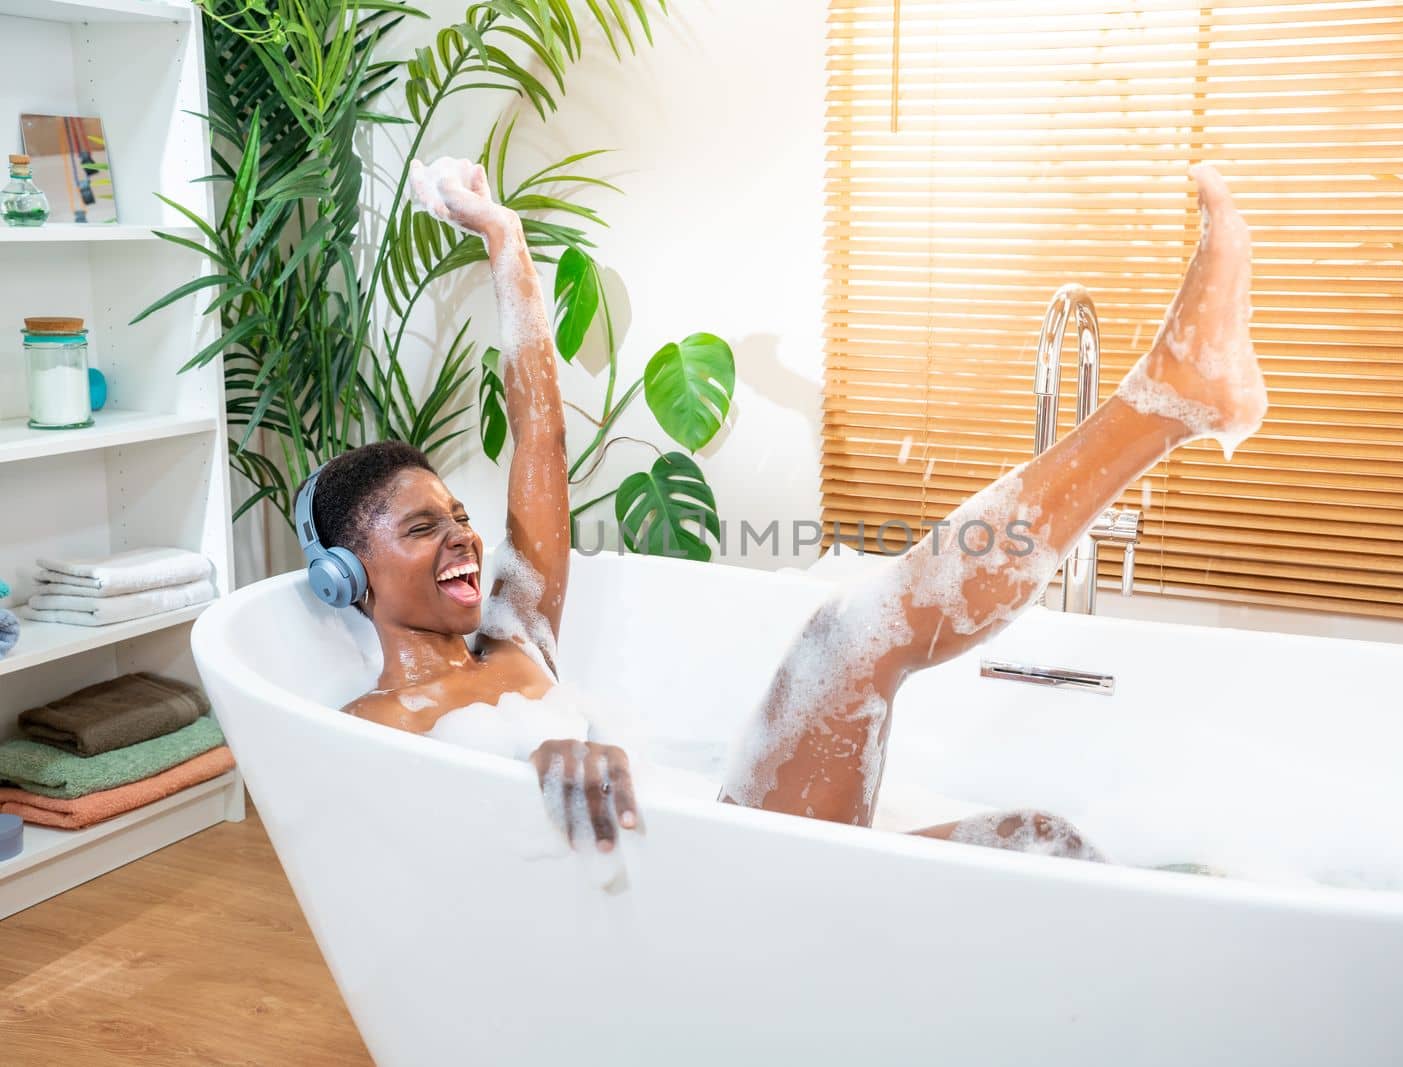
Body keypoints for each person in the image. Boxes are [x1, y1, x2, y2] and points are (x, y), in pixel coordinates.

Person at [309, 157, 1266, 859]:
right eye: (420, 524)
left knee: (1041, 842)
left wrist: (505, 238)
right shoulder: (380, 721)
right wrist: (524, 781)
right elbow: (421, 849)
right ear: (347, 577)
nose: (462, 533)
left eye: (456, 513)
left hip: (721, 857)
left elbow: (541, 440)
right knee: (845, 638)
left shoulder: (521, 641)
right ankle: (1166, 398)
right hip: (694, 908)